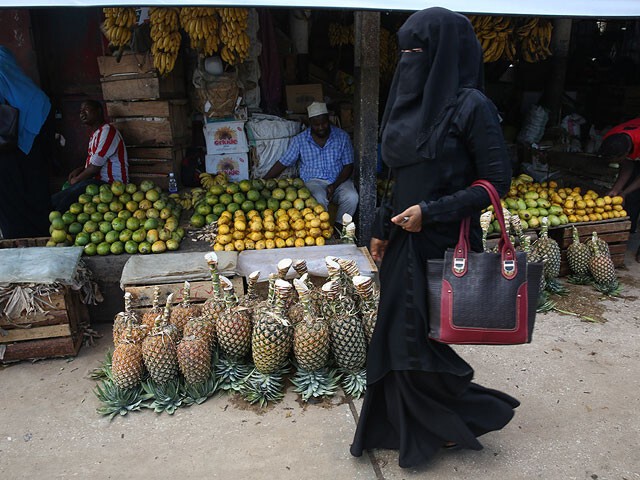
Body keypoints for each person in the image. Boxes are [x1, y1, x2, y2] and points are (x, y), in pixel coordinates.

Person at [350, 8, 518, 469]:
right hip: (402, 240)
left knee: (412, 338)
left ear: (446, 53)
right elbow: (398, 178)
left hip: (443, 242)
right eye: (403, 51)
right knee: (397, 336)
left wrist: (432, 212)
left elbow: (495, 182)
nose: (408, 59)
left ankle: (455, 419)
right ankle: (414, 423)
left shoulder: (471, 105)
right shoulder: (407, 101)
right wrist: (382, 227)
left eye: (417, 51)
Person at [263, 101, 358, 230]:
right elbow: (283, 162)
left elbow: (348, 166)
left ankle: (339, 228)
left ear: (328, 119)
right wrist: (263, 180)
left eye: (324, 123)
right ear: (310, 123)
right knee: (318, 198)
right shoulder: (300, 140)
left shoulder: (342, 137)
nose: (321, 127)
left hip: (339, 180)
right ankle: (322, 230)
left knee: (352, 197)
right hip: (313, 182)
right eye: (316, 124)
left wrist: (335, 185)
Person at [0, 46, 53, 239]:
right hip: (38, 113)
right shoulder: (2, 51)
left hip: (18, 128)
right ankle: (44, 232)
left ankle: (22, 238)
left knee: (11, 187)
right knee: (34, 181)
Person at [51, 100, 128, 212]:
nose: (82, 113)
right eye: (80, 111)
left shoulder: (108, 131)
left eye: (86, 109)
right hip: (96, 184)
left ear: (98, 111)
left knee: (66, 198)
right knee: (65, 193)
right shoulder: (96, 134)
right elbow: (95, 162)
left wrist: (77, 180)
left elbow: (95, 168)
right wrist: (81, 169)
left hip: (111, 185)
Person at [598, 119, 640, 261]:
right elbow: (627, 165)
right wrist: (616, 191)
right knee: (631, 198)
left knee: (632, 192)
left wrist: (625, 192)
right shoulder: (612, 137)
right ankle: (625, 233)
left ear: (626, 152)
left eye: (616, 159)